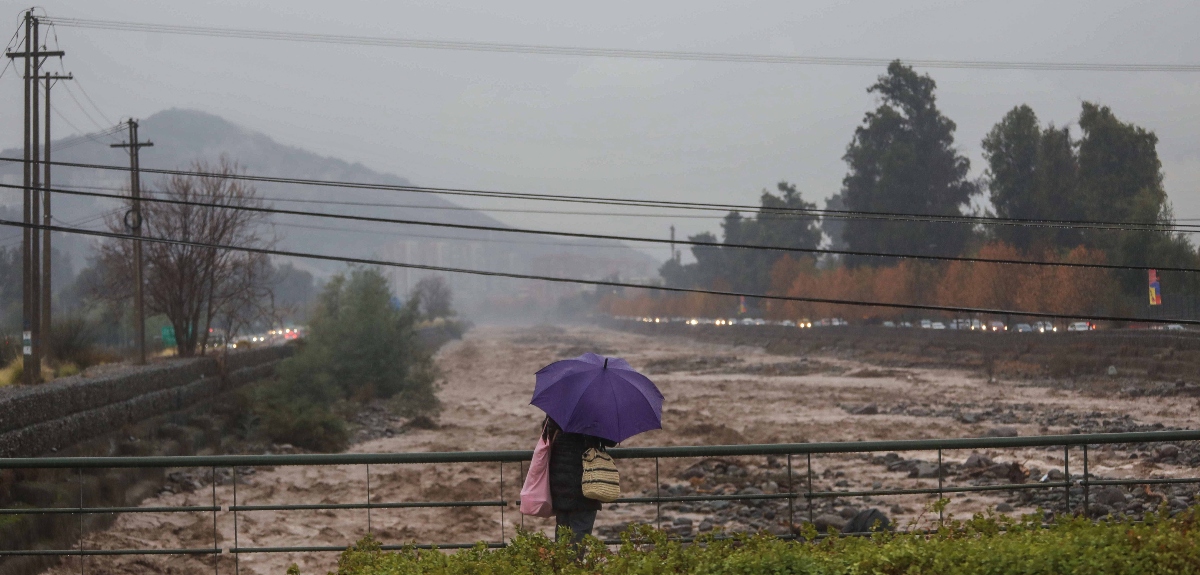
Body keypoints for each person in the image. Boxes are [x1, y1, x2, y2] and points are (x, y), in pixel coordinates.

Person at [543, 416, 616, 545]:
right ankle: (572, 565)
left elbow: (546, 434)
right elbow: (611, 440)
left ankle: (562, 565)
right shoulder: (592, 413)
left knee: (562, 541)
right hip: (585, 485)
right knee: (578, 542)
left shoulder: (558, 411)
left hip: (559, 484)